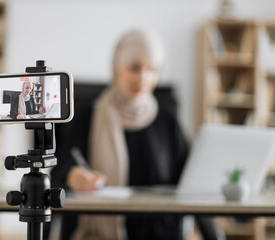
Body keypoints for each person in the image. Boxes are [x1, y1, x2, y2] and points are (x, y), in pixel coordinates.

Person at [51, 29, 224, 240]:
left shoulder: (168, 121)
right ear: (117, 68)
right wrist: (73, 176)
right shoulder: (88, 117)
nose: (143, 77)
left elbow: (192, 184)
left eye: (152, 69)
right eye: (134, 68)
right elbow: (59, 170)